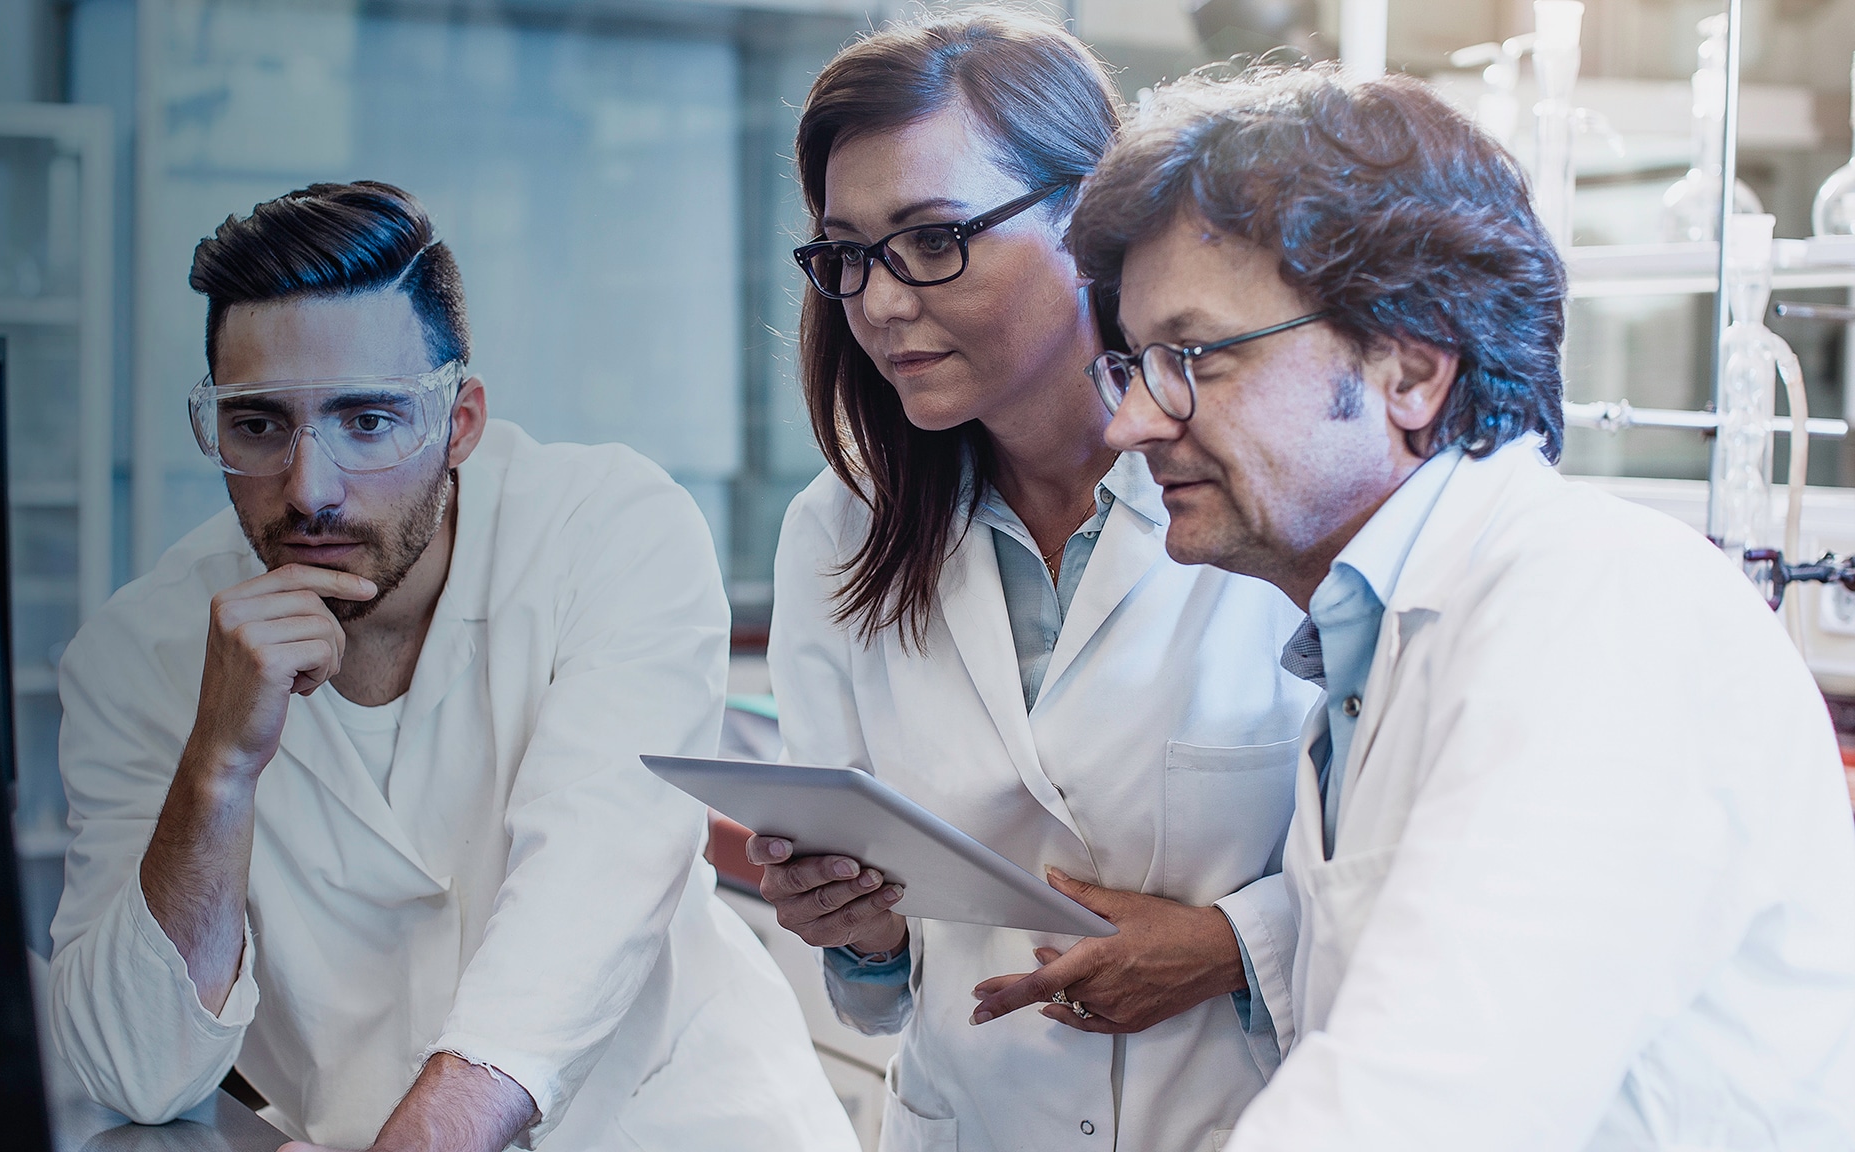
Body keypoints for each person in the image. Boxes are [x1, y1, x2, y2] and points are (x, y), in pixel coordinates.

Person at [1070, 65, 1855, 1148]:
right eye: (1134, 367)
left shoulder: (1603, 610)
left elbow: (1416, 1109)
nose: (1133, 426)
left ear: (1411, 371)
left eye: (1193, 358)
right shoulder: (1370, 650)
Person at [45, 182, 856, 1152]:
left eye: (369, 421)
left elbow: (588, 886)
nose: (310, 490)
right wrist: (217, 765)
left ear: (459, 421)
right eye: (259, 426)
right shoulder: (137, 656)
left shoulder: (611, 531)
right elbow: (136, 1068)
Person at [745, 12, 1319, 1151]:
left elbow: (1428, 877)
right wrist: (856, 933)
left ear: (1090, 220)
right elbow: (881, 987)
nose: (882, 302)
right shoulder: (841, 531)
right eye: (848, 253)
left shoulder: (1270, 489)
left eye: (934, 239)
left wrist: (1229, 948)